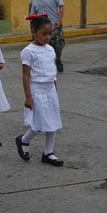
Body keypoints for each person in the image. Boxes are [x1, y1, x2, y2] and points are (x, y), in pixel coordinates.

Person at [16, 14, 64, 166]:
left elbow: (52, 72)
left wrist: (55, 90)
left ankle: (48, 152)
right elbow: (25, 75)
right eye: (44, 33)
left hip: (50, 90)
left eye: (49, 33)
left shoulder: (50, 50)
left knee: (53, 121)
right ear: (33, 31)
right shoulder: (28, 51)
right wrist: (28, 96)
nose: (47, 37)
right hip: (37, 90)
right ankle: (23, 140)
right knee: (39, 123)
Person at [29, 0, 65, 73]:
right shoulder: (34, 0)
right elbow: (32, 15)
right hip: (42, 28)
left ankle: (58, 60)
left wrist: (60, 21)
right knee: (43, 46)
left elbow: (61, 6)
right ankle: (46, 63)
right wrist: (33, 29)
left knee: (58, 46)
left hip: (55, 26)